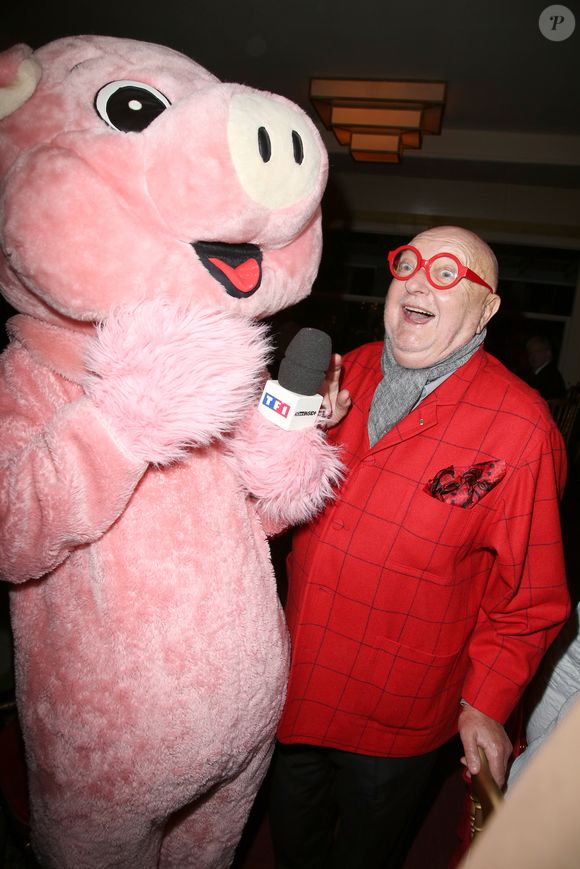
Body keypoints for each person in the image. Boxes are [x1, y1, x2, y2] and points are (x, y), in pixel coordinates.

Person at [269, 226, 570, 869]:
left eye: (447, 274)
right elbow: (273, 508)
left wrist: (485, 704)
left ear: (486, 310)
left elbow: (530, 599)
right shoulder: (349, 365)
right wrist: (290, 442)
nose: (417, 279)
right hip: (293, 678)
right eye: (409, 262)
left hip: (396, 712)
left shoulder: (522, 429)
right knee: (292, 842)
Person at [525, 335, 566, 401]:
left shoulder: (550, 376)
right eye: (530, 353)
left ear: (548, 353)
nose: (532, 356)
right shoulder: (534, 374)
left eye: (536, 352)